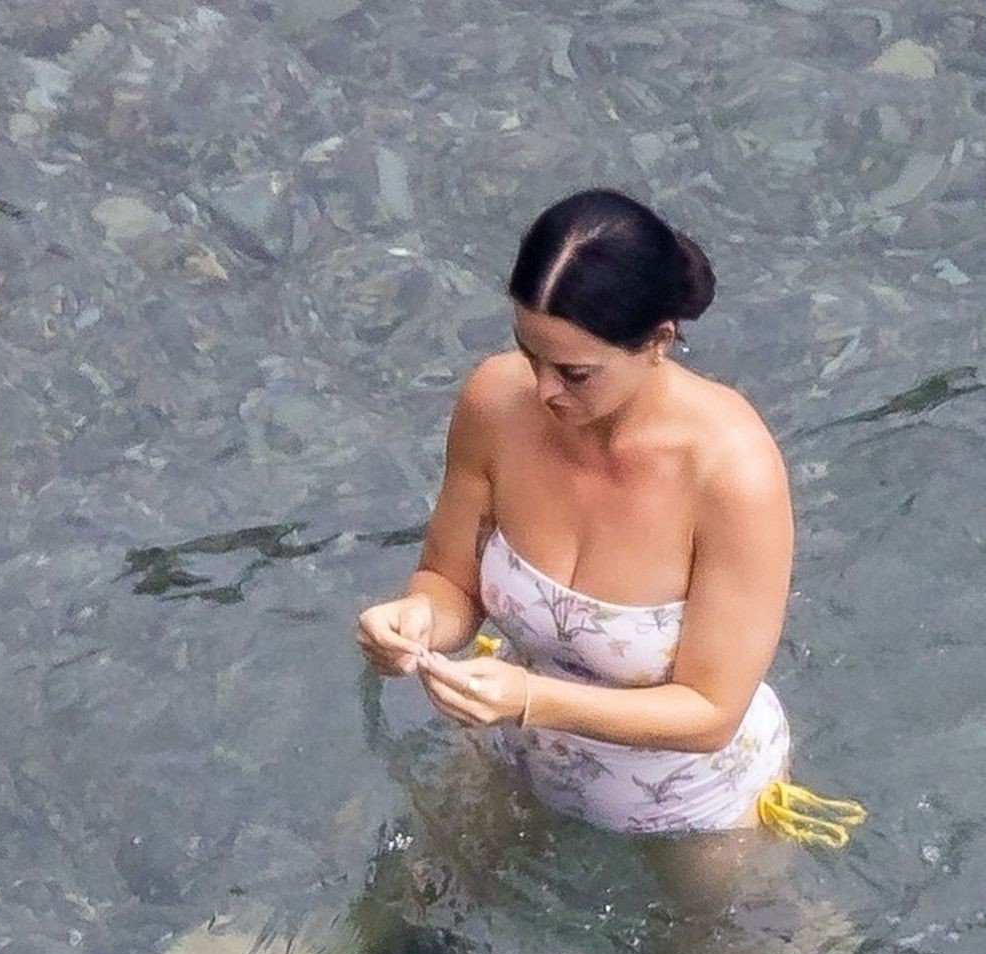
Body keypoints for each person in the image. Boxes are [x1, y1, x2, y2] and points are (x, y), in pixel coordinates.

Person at [356, 188, 860, 843]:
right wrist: (416, 619)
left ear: (658, 342)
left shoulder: (732, 472)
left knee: (733, 918)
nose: (543, 390)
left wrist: (531, 699)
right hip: (516, 751)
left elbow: (712, 712)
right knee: (404, 889)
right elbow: (450, 579)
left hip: (690, 802)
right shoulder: (495, 402)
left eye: (575, 372)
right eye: (529, 354)